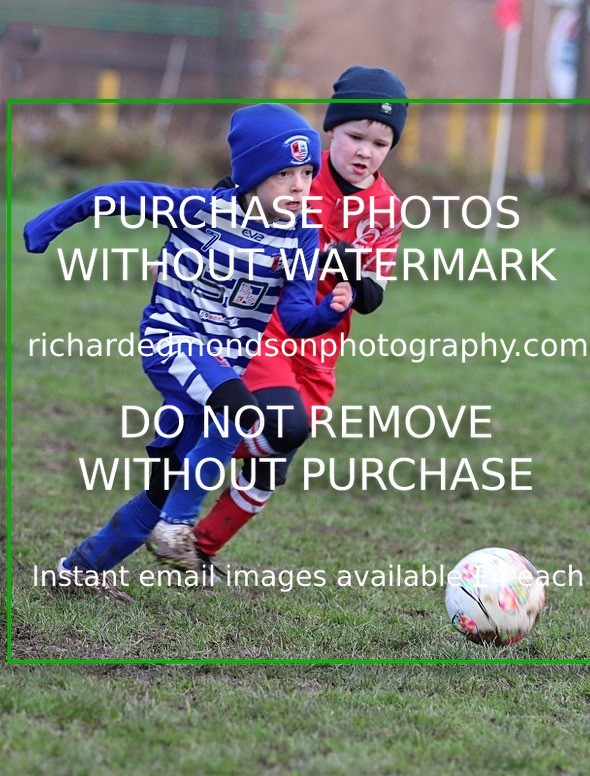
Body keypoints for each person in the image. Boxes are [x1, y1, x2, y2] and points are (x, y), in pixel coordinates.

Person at [23, 103, 354, 601]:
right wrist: (48, 226)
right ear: (253, 174)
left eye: (307, 173)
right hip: (172, 341)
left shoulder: (302, 238)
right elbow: (115, 196)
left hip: (221, 368)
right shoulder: (199, 209)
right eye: (284, 173)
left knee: (164, 486)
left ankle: (80, 569)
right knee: (240, 409)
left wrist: (333, 308)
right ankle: (178, 530)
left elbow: (299, 319)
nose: (299, 186)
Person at [147, 66, 409, 573]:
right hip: (265, 327)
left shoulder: (386, 211)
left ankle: (196, 548)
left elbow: (372, 298)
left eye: (380, 143)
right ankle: (182, 472)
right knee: (278, 425)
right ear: (330, 130)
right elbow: (215, 211)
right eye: (355, 135)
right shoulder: (292, 175)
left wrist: (350, 267)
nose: (365, 151)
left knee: (275, 460)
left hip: (320, 344)